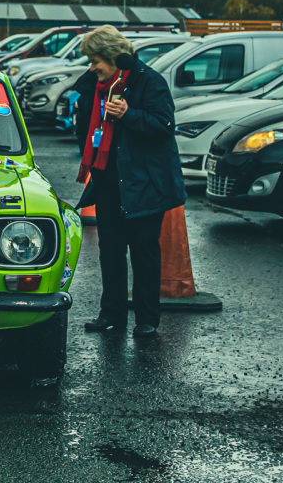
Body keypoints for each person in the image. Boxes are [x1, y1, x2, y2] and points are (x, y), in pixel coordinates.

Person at [74, 25, 185, 338]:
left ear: (113, 56)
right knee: (110, 250)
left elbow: (164, 126)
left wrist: (128, 114)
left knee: (144, 251)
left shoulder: (148, 82)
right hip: (109, 181)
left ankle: (147, 319)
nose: (91, 66)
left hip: (144, 183)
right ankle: (111, 315)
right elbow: (84, 127)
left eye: (96, 60)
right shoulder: (91, 87)